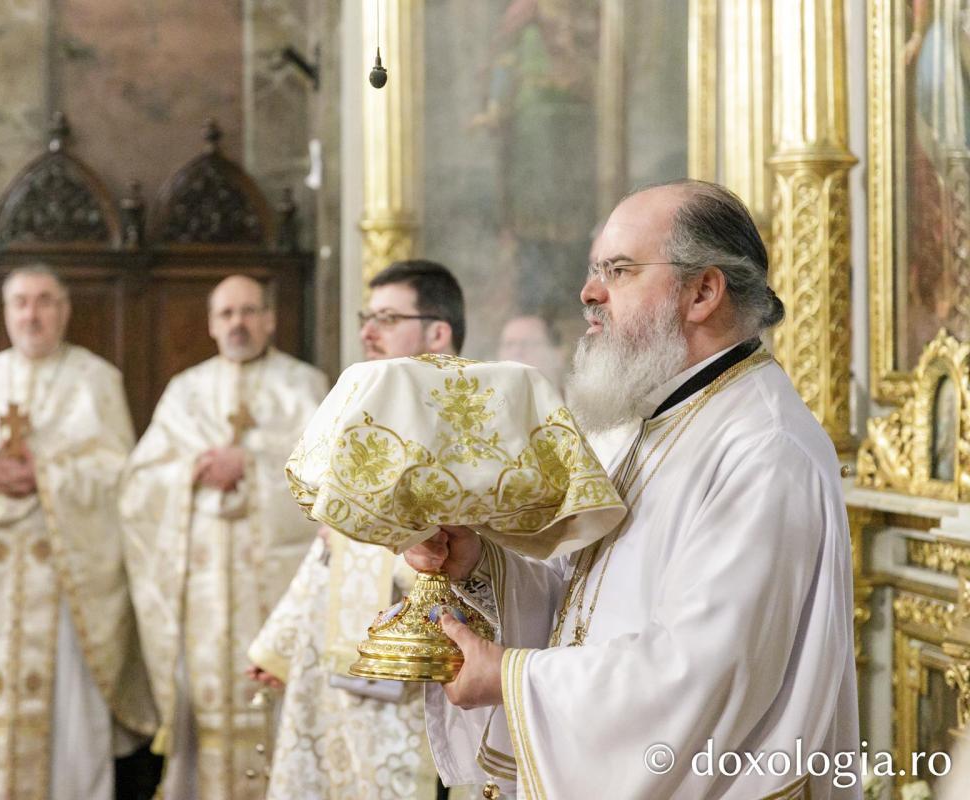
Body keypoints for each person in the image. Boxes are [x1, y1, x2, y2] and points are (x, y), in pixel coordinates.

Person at [408, 180, 859, 799]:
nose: (589, 294)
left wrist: (508, 676)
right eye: (596, 271)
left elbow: (702, 674)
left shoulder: (764, 446)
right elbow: (586, 603)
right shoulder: (641, 423)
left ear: (702, 292)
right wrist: (483, 562)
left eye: (617, 271)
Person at [247, 259, 465, 799]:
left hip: (411, 683)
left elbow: (472, 561)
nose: (367, 332)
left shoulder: (468, 434)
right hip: (333, 674)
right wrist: (277, 645)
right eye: (368, 317)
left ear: (438, 333)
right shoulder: (364, 424)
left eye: (387, 318)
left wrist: (373, 543)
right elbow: (328, 551)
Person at [0, 266, 156, 800]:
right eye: (20, 303)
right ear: (6, 311)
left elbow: (121, 476)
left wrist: (47, 473)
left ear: (64, 310)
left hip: (67, 585)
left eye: (43, 302)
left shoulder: (95, 378)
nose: (31, 314)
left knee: (68, 714)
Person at [118, 275, 328, 800]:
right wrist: (192, 470)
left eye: (249, 311)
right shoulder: (185, 392)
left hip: (278, 595)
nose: (239, 322)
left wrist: (253, 467)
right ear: (212, 324)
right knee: (206, 720)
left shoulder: (304, 386)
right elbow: (139, 485)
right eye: (227, 313)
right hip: (205, 600)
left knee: (282, 715)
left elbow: (331, 481)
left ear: (270, 319)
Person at [496, 314, 566, 389]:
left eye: (528, 343)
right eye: (509, 344)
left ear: (557, 355)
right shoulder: (488, 397)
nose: (516, 352)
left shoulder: (576, 399)